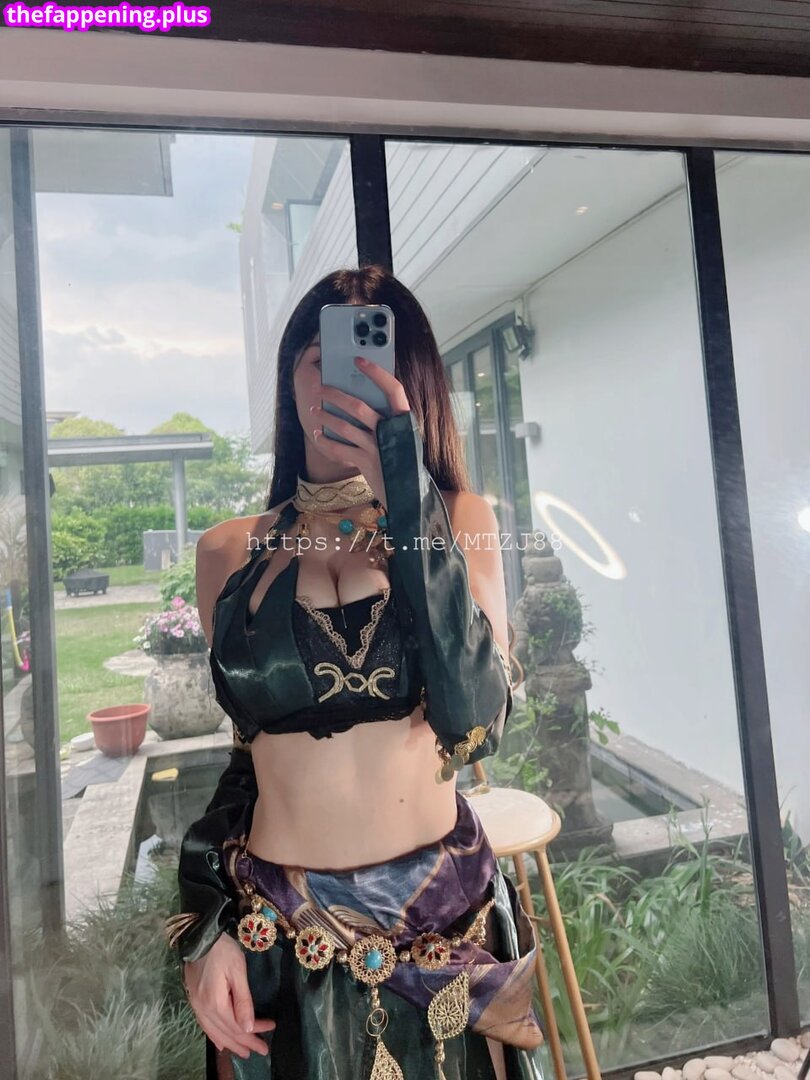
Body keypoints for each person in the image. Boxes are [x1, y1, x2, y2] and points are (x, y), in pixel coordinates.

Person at [165, 265, 545, 1080]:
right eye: (321, 351)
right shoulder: (228, 550)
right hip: (275, 935)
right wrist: (208, 924)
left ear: (413, 380)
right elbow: (246, 761)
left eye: (375, 350)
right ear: (291, 381)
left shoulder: (462, 522)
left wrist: (403, 491)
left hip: (444, 932)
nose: (343, 370)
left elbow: (477, 720)